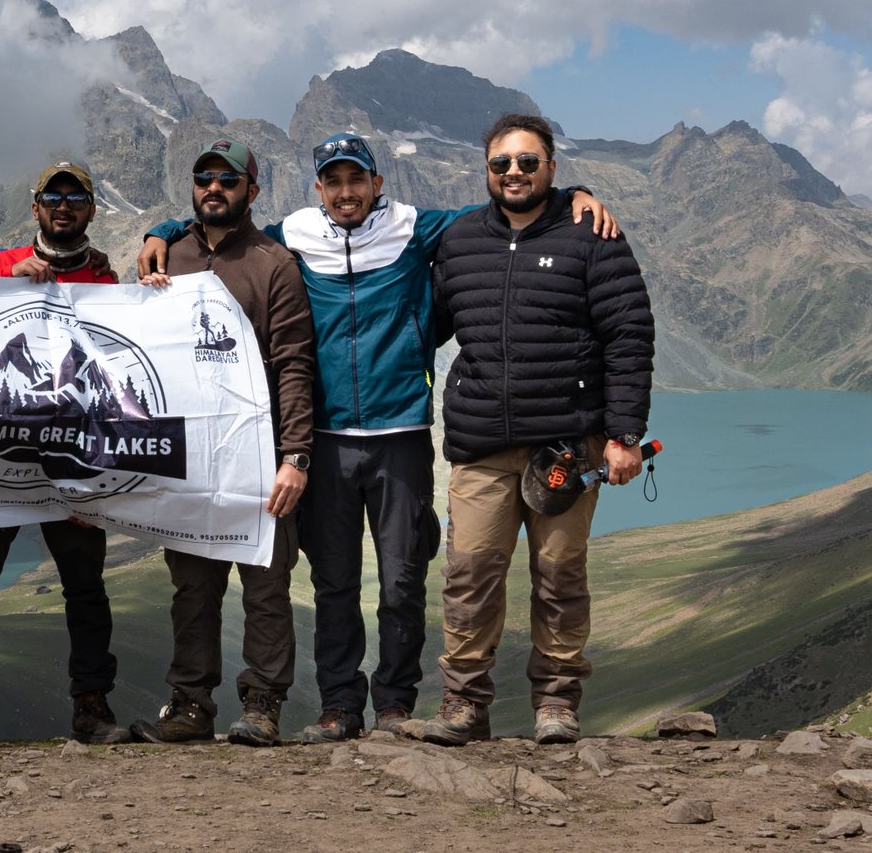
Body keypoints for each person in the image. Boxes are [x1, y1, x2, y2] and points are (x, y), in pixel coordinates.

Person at [138, 133, 616, 742]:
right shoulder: (292, 236)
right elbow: (225, 224)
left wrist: (576, 194)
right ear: (318, 188)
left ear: (377, 184)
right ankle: (339, 707)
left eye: (356, 180)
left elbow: (506, 207)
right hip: (328, 437)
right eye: (333, 182)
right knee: (333, 582)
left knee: (401, 580)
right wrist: (165, 226)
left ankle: (394, 705)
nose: (345, 192)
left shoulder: (416, 228)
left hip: (401, 433)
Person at [422, 113, 653, 747]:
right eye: (502, 164)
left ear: (553, 167)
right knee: (469, 576)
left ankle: (556, 704)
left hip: (567, 446)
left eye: (529, 162)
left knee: (560, 578)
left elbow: (628, 336)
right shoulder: (459, 239)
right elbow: (427, 321)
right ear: (487, 171)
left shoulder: (592, 235)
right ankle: (465, 706)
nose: (515, 173)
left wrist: (624, 434)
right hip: (480, 445)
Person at [0, 161, 131, 745]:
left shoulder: (108, 284)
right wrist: (5, 281)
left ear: (91, 210)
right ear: (35, 205)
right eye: (52, 196)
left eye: (76, 196)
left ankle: (93, 705)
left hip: (74, 463)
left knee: (85, 584)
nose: (63, 205)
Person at [130, 138, 316, 747]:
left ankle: (263, 703)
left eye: (229, 180)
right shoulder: (167, 255)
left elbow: (293, 362)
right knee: (192, 585)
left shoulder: (274, 263)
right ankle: (190, 704)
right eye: (204, 177)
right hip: (185, 455)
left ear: (251, 191)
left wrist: (295, 457)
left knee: (265, 584)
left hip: (257, 455)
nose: (215, 187)